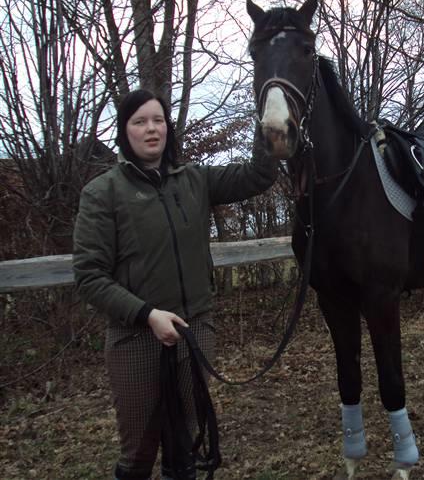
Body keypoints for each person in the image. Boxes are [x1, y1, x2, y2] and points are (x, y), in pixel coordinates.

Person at [72, 89, 277, 480]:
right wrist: (148, 315)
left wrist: (266, 117)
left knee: (186, 441)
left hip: (193, 329)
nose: (151, 129)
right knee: (139, 450)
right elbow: (90, 276)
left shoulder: (194, 179)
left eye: (158, 120)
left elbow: (259, 175)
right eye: (140, 122)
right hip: (136, 338)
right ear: (124, 132)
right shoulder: (102, 193)